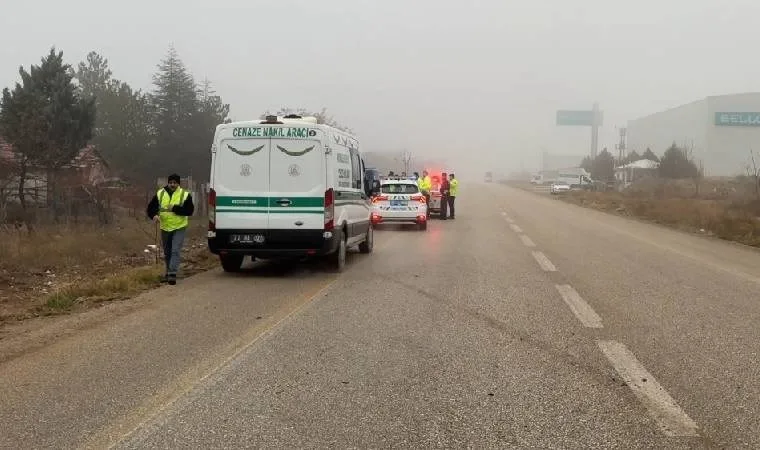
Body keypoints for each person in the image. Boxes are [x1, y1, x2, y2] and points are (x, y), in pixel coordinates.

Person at [146, 174, 195, 285]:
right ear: (168, 183)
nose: (172, 185)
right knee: (167, 252)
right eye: (171, 182)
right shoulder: (160, 193)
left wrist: (174, 208)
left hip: (179, 227)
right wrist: (154, 215)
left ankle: (172, 273)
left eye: (175, 183)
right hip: (165, 227)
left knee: (175, 250)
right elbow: (151, 208)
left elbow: (189, 211)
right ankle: (168, 273)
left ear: (178, 184)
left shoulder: (185, 194)